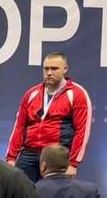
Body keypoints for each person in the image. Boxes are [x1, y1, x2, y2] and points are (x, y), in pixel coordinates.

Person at [6, 52, 92, 182]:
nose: (49, 73)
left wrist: (73, 163)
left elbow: (82, 131)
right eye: (46, 69)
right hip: (29, 153)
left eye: (54, 68)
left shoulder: (77, 94)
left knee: (53, 193)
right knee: (20, 190)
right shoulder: (31, 94)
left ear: (65, 69)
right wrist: (11, 158)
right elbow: (19, 127)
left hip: (56, 154)